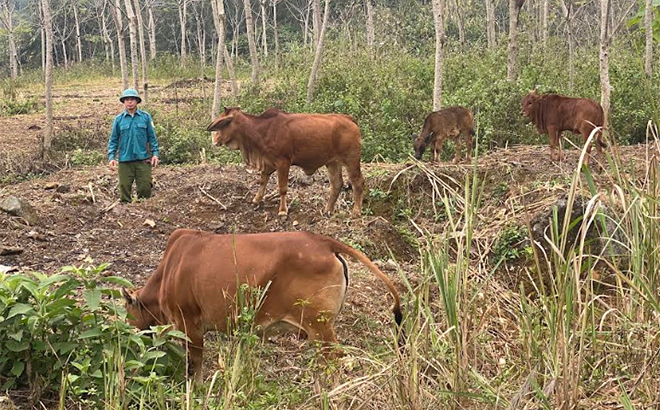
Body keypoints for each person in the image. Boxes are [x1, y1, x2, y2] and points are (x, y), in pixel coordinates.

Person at [108, 88, 159, 203]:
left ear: (137, 101)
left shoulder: (145, 117)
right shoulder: (119, 120)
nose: (129, 102)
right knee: (124, 188)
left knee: (145, 189)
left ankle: (144, 211)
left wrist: (155, 154)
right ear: (123, 102)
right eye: (127, 100)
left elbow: (152, 137)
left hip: (143, 160)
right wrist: (111, 157)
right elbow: (113, 140)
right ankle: (126, 213)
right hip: (125, 160)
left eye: (132, 99)